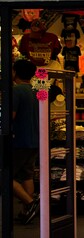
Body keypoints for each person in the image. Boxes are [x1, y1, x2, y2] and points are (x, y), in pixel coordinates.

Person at [11, 59, 40, 224]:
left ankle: (30, 203)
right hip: (35, 140)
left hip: (19, 141)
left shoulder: (16, 91)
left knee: (6, 175)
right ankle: (27, 212)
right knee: (26, 175)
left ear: (15, 72)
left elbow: (11, 116)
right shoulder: (37, 90)